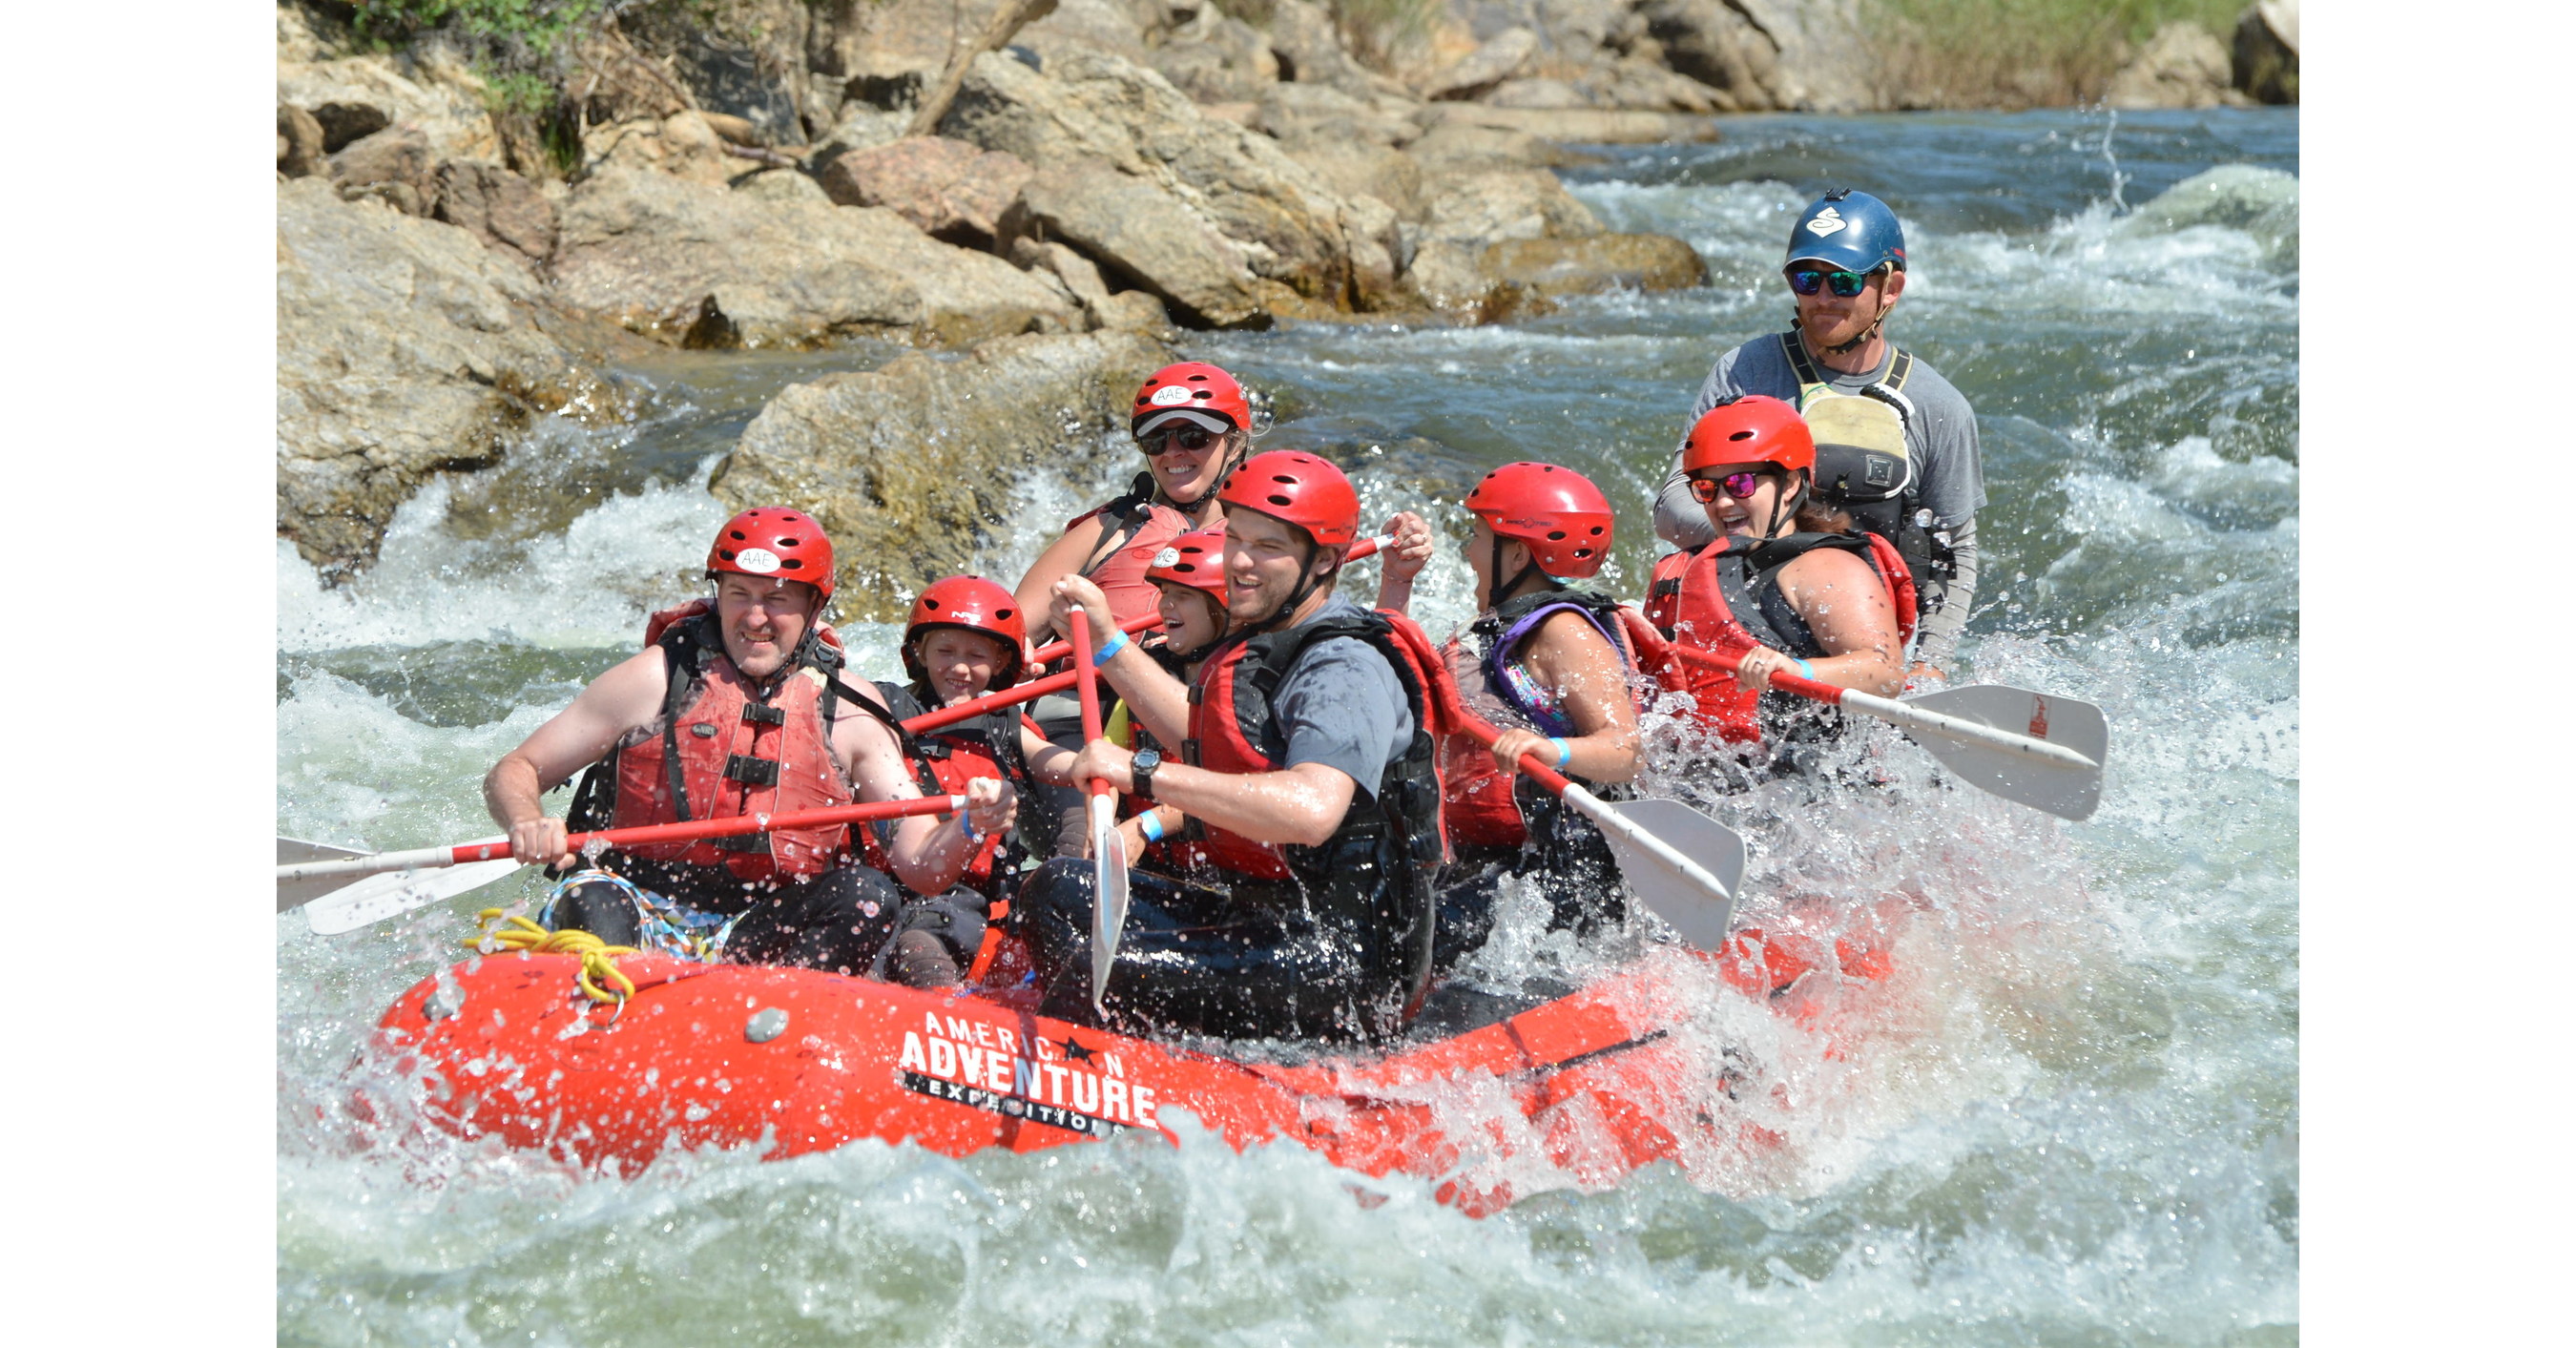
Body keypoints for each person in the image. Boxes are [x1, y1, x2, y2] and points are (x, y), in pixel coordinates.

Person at [1017, 452, 1448, 1044]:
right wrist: (1107, 642)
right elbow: (1203, 737)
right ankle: (1138, 1041)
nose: (1239, 562)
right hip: (1266, 916)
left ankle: (1088, 1070)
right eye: (1236, 539)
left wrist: (1140, 774)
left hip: (1347, 960)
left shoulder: (1343, 667)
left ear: (1324, 561)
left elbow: (1311, 809)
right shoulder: (1269, 636)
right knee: (1059, 889)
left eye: (1268, 548)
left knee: (1106, 964)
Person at [483, 508, 1017, 985]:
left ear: (813, 607)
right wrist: (526, 819)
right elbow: (518, 767)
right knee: (592, 894)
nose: (754, 618)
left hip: (756, 923)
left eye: (777, 600)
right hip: (635, 901)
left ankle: (775, 1033)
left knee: (867, 895)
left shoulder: (850, 710)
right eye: (740, 594)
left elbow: (922, 866)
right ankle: (606, 1030)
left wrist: (971, 824)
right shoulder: (656, 678)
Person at [1651, 188, 1984, 683]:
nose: (1823, 298)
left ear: (1889, 289)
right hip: (1745, 618)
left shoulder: (1940, 407)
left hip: (1860, 640)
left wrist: (1931, 665)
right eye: (1807, 280)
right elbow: (1673, 502)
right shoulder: (1743, 372)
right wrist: (1767, 537)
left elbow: (1954, 552)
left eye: (1844, 282)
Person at [1377, 464, 1645, 973]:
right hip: (1487, 862)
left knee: (1396, 946)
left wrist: (1552, 750)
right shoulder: (1494, 630)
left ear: (1517, 553)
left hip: (1556, 872)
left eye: (1478, 537)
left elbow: (1626, 750)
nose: (1467, 551)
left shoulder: (1564, 632)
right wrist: (1396, 581)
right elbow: (1391, 682)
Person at [1009, 362, 1260, 854]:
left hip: (1195, 728)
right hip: (1080, 724)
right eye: (1156, 441)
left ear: (1234, 444)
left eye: (1192, 436)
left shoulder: (1263, 542)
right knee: (1082, 840)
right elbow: (1009, 629)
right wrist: (1014, 657)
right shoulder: (1111, 528)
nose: (1173, 454)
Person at [1645, 397, 1911, 752]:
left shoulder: (1826, 566)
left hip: (1815, 783)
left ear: (1789, 485)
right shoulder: (1704, 567)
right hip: (1725, 778)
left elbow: (1885, 672)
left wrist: (1795, 668)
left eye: (1741, 484)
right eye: (1708, 489)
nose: (1723, 503)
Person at [865, 575, 1081, 984]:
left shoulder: (1005, 723)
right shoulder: (881, 706)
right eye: (945, 651)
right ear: (919, 652)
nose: (960, 667)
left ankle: (944, 1011)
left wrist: (1103, 766)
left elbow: (1063, 765)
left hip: (962, 897)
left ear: (1001, 664)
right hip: (884, 879)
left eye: (977, 656)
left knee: (919, 944)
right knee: (870, 941)